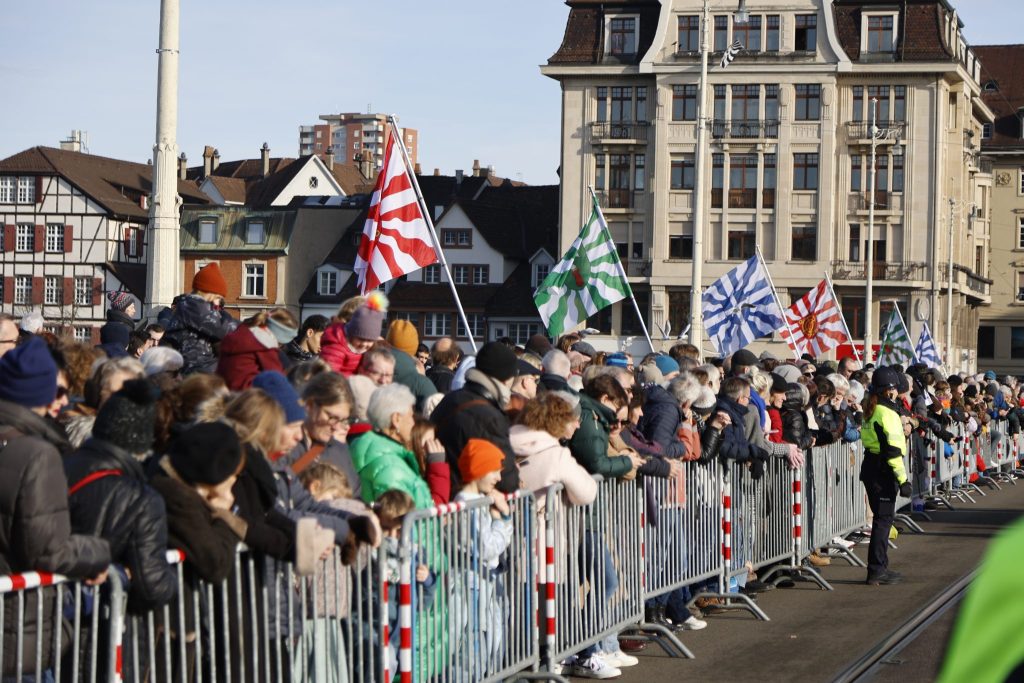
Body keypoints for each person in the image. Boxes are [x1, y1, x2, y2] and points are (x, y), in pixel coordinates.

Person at [0, 338, 112, 676]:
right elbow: (49, 550)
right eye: (58, 392)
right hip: (18, 627)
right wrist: (99, 551)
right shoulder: (38, 454)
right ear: (38, 395)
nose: (65, 402)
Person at [64, 379, 176, 613]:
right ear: (145, 440)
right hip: (101, 626)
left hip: (50, 619)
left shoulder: (58, 466)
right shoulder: (142, 499)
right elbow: (153, 585)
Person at [450, 439, 514, 680]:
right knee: (474, 646)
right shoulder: (467, 506)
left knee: (490, 639)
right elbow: (486, 548)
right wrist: (504, 519)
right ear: (478, 470)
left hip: (482, 581)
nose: (499, 477)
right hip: (472, 585)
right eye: (494, 471)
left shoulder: (477, 502)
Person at [432, 341, 522, 494]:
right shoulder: (491, 417)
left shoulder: (449, 399)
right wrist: (515, 473)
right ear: (506, 378)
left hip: (443, 495)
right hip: (470, 504)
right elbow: (507, 480)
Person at [860, 366, 911, 586]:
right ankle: (876, 570)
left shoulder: (871, 409)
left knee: (882, 521)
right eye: (894, 389)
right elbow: (893, 451)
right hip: (883, 470)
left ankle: (879, 567)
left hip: (871, 466)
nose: (897, 393)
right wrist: (903, 480)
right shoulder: (887, 413)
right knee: (883, 522)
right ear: (888, 390)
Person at [350, 383, 434, 508]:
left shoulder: (376, 450)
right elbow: (397, 518)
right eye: (411, 415)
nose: (413, 422)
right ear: (396, 420)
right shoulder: (389, 466)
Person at [163, 263, 238, 375]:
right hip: (194, 367)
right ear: (209, 293)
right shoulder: (193, 306)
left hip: (192, 365)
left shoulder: (190, 306)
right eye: (218, 297)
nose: (218, 303)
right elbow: (222, 329)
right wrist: (251, 326)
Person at [321, 293, 387, 376]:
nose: (364, 343)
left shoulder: (371, 345)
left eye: (370, 340)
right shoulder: (336, 347)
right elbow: (329, 376)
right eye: (361, 339)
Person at [216, 310, 285, 390]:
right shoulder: (264, 343)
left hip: (225, 390)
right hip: (248, 394)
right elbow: (278, 379)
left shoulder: (239, 333)